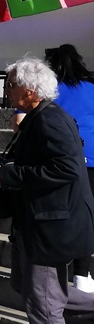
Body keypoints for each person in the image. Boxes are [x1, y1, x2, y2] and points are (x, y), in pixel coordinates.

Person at [0, 57, 94, 324]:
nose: (8, 91)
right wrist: (9, 168)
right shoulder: (39, 118)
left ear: (29, 92)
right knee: (33, 291)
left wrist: (12, 174)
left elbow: (66, 169)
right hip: (36, 222)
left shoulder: (50, 119)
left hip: (50, 226)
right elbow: (45, 164)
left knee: (43, 302)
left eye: (11, 85)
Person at [44, 44, 94, 294]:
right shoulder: (92, 88)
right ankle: (84, 273)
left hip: (63, 160)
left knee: (67, 216)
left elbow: (20, 123)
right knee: (88, 215)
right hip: (93, 157)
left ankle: (72, 274)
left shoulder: (49, 91)